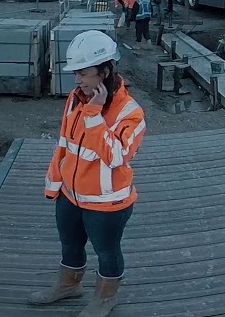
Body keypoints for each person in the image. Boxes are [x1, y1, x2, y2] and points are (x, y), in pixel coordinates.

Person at [30, 31, 145, 317]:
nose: (77, 79)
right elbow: (64, 144)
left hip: (106, 203)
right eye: (76, 73)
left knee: (107, 252)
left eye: (83, 73)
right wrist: (55, 185)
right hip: (69, 195)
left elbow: (116, 156)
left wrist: (94, 115)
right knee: (70, 244)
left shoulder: (131, 113)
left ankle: (106, 297)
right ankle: (69, 286)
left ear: (104, 71)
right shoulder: (74, 98)